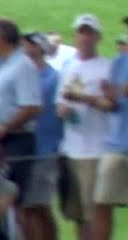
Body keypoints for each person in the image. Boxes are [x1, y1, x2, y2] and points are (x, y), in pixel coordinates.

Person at [0, 18, 41, 240]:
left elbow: (31, 106)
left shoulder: (23, 65)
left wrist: (4, 127)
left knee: (11, 202)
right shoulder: (3, 66)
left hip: (15, 141)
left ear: (3, 38)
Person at [58, 14, 114, 240]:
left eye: (89, 32)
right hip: (70, 149)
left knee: (95, 212)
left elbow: (110, 105)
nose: (84, 37)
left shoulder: (106, 68)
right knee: (77, 214)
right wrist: (62, 109)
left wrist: (83, 99)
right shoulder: (68, 67)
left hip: (95, 149)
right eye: (81, 32)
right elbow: (59, 102)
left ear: (98, 37)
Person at [21, 32, 62, 240]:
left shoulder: (53, 77)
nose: (26, 46)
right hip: (24, 149)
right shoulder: (22, 75)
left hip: (45, 149)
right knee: (26, 208)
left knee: (39, 206)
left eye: (31, 43)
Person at [93, 19, 128, 240]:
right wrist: (107, 97)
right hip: (117, 143)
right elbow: (111, 104)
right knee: (102, 201)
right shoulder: (118, 63)